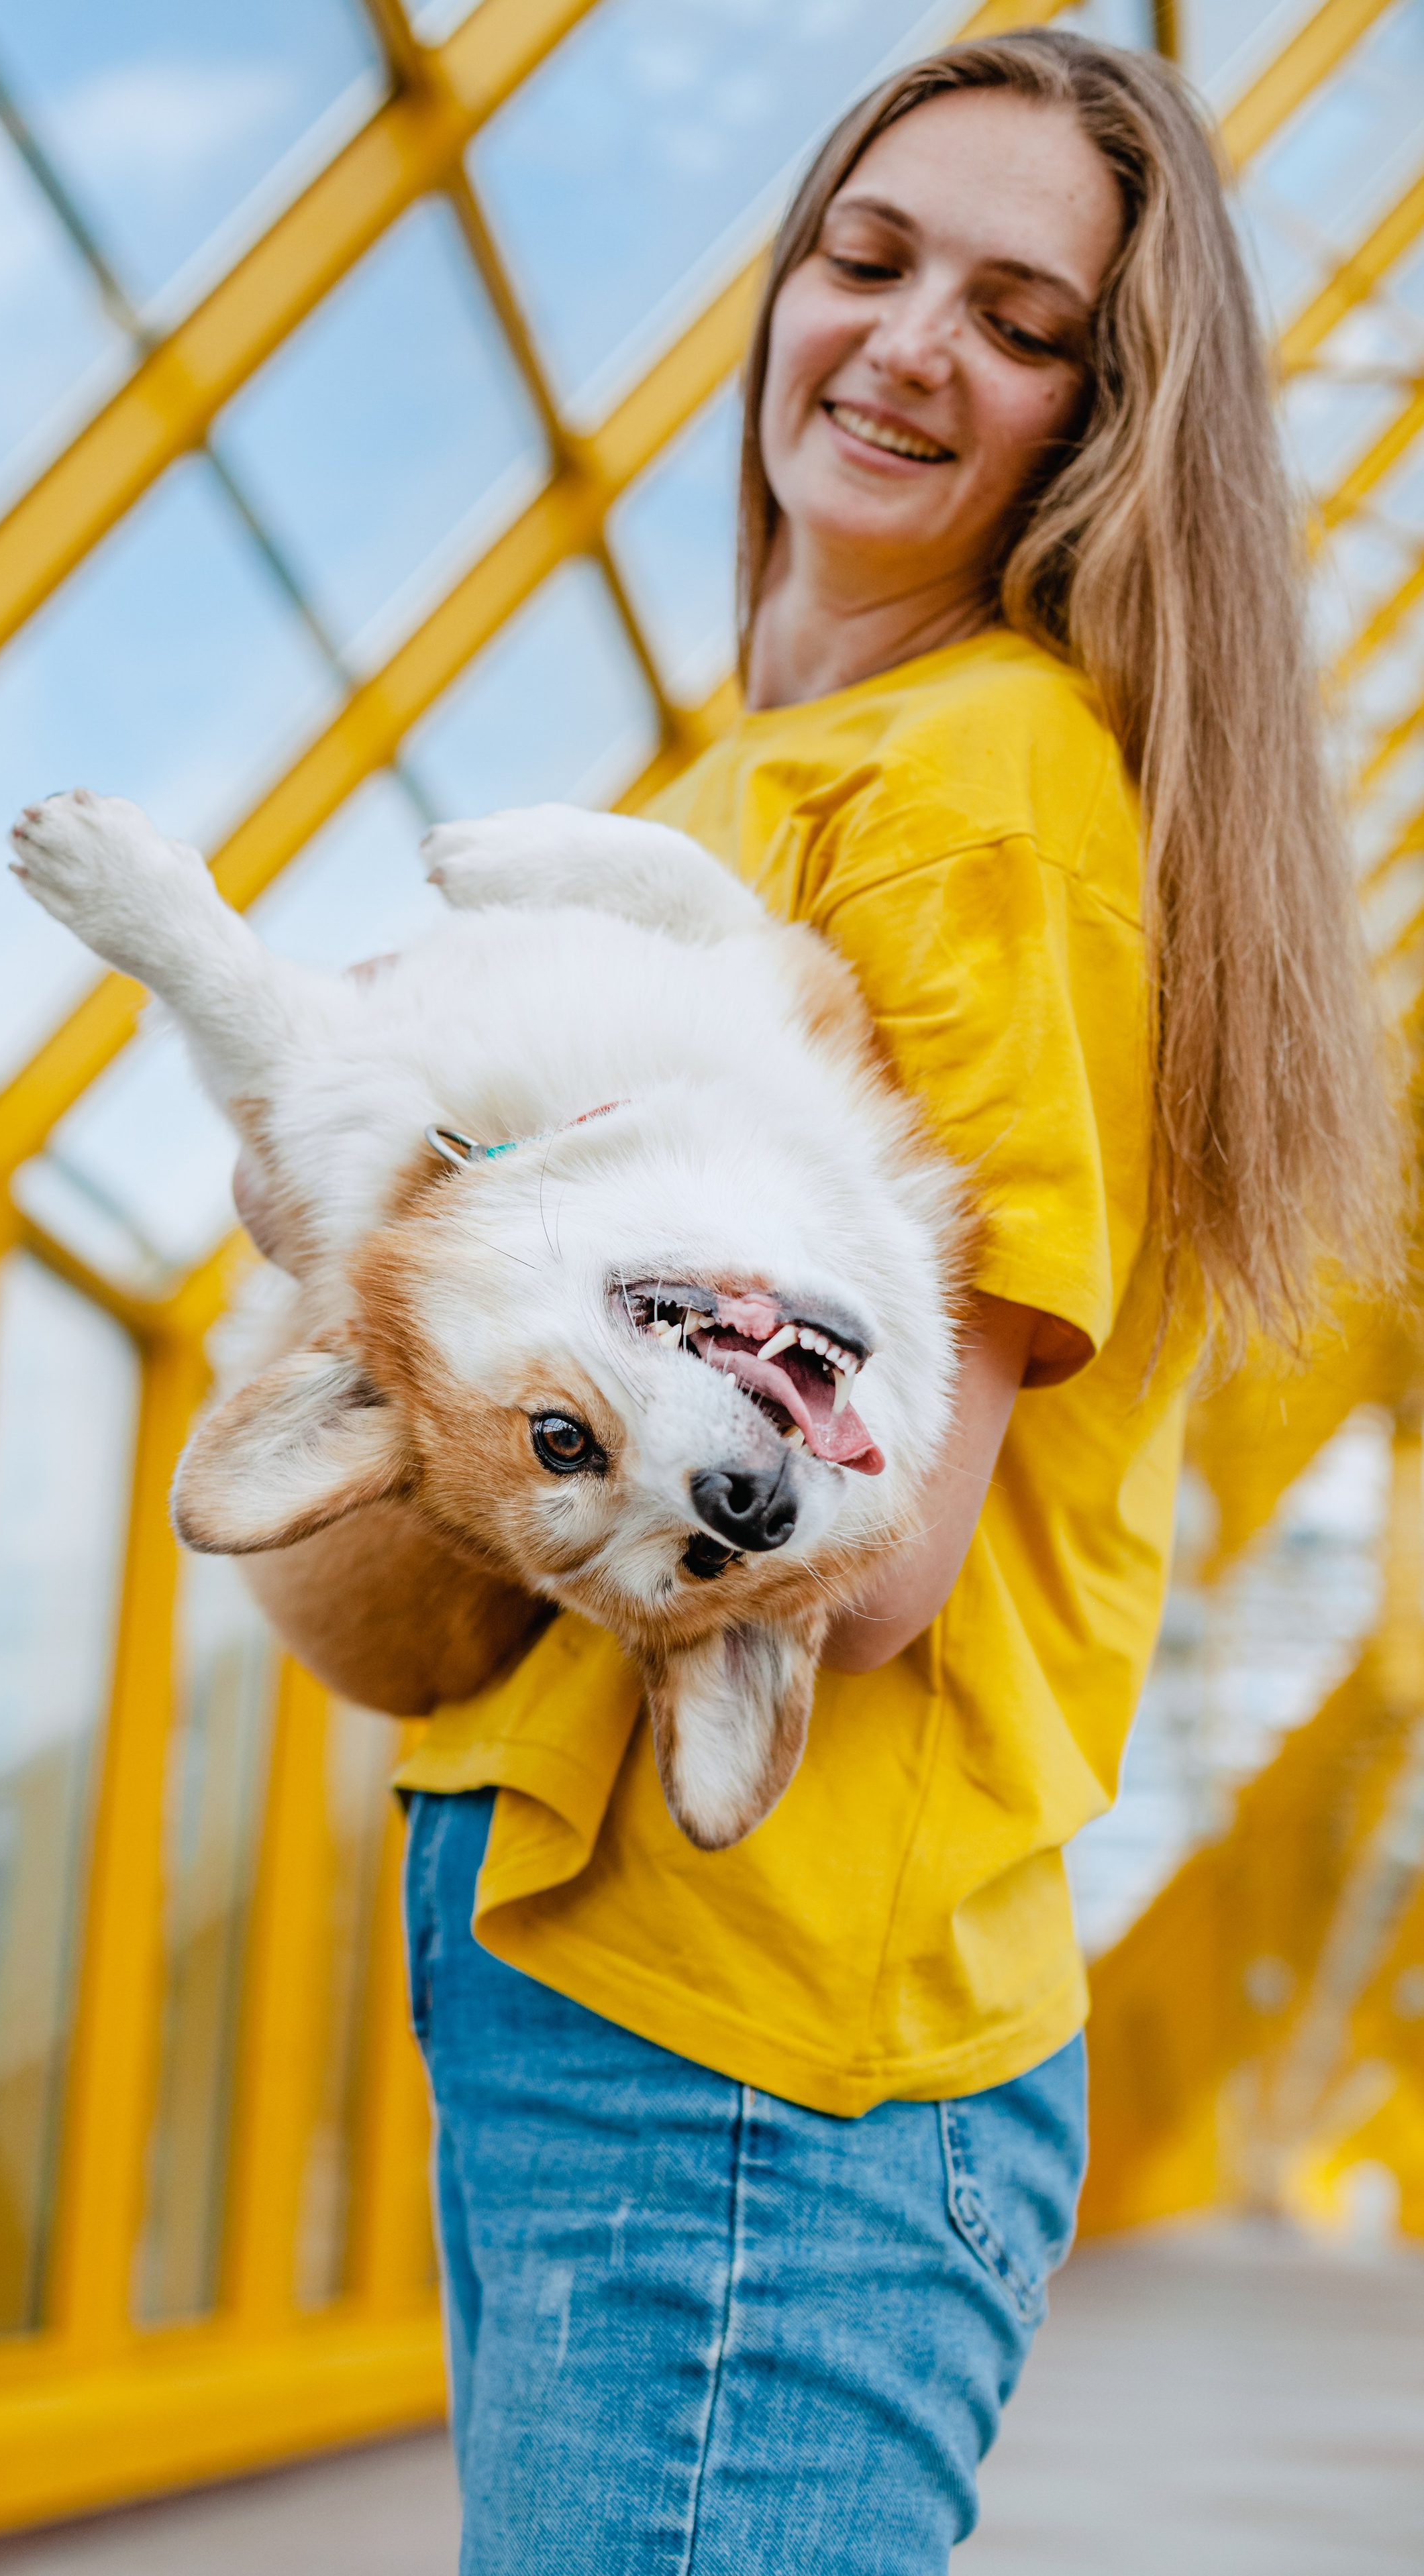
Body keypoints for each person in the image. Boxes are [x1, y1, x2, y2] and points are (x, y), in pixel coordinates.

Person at [236, 30, 1395, 2573]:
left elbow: (861, 1557)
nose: (900, 343)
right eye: (865, 265)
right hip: (648, 1979)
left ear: (1107, 419)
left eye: (1015, 316)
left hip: (761, 2035)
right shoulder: (749, 788)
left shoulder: (974, 795)